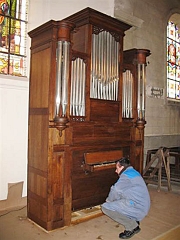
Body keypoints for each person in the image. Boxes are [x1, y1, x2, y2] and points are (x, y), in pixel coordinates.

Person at [101, 157, 150, 239]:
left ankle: (132, 226)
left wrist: (109, 201)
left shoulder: (125, 176)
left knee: (106, 207)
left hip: (138, 207)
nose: (115, 171)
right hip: (142, 205)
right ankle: (133, 219)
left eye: (117, 168)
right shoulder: (132, 172)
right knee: (119, 198)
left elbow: (115, 190)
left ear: (122, 167)